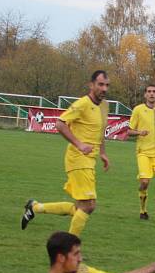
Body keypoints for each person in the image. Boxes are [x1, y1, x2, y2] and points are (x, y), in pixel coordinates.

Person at [21, 70, 111, 236]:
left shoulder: (104, 106)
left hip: (89, 160)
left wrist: (103, 153)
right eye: (100, 84)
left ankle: (34, 207)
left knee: (79, 207)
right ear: (91, 85)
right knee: (89, 206)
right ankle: (70, 248)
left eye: (106, 85)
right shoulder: (81, 104)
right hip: (78, 158)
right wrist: (79, 144)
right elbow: (60, 124)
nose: (104, 88)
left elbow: (100, 130)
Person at [129, 85, 155, 223]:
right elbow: (129, 131)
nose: (152, 94)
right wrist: (139, 132)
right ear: (145, 95)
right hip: (144, 152)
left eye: (154, 91)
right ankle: (143, 210)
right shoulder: (138, 110)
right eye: (149, 92)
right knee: (144, 182)